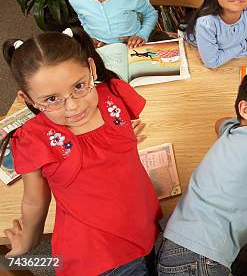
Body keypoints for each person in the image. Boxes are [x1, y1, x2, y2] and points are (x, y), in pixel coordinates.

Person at [1, 28, 161, 275]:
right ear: (29, 99)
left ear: (92, 69)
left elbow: (112, 145)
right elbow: (35, 200)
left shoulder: (113, 95)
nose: (73, 106)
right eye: (52, 99)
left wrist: (124, 139)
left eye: (79, 86)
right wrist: (30, 240)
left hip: (141, 221)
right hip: (99, 255)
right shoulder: (33, 139)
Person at [158, 71, 247, 276]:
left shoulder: (233, 128)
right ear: (245, 109)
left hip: (174, 244)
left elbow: (219, 122)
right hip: (202, 258)